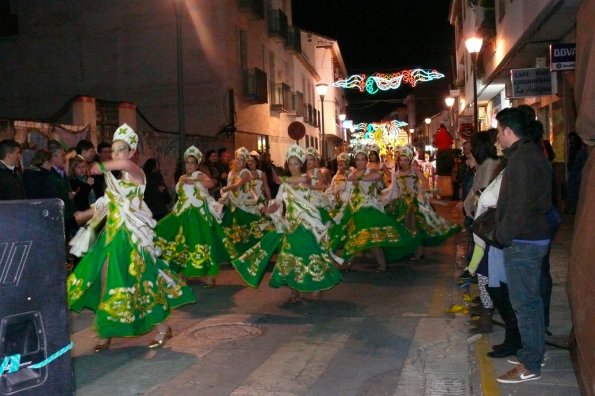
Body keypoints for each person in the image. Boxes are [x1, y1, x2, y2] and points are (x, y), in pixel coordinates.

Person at [67, 123, 196, 352]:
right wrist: (83, 215)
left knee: (141, 283)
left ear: (132, 152)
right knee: (106, 280)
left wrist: (101, 165)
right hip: (113, 236)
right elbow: (106, 205)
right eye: (113, 150)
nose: (116, 154)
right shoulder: (116, 180)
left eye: (121, 150)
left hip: (133, 238)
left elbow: (122, 165)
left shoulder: (136, 172)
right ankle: (106, 331)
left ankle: (162, 327)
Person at [231, 144, 342, 303]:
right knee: (288, 256)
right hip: (290, 225)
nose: (292, 167)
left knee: (311, 253)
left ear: (301, 165)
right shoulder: (284, 184)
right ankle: (294, 291)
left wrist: (280, 179)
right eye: (289, 164)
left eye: (296, 163)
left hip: (306, 224)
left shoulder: (306, 178)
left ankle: (317, 285)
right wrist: (269, 208)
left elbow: (300, 181)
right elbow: (278, 201)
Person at [493, 107, 552, 384]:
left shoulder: (522, 159)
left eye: (499, 132)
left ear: (507, 131)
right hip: (531, 236)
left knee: (525, 303)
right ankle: (534, 351)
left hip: (523, 240)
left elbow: (517, 205)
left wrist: (502, 235)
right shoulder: (530, 153)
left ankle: (531, 363)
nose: (498, 138)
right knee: (531, 301)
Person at [155, 146, 228, 288]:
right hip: (182, 214)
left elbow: (211, 183)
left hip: (197, 215)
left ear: (197, 164)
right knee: (181, 243)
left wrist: (195, 182)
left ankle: (210, 277)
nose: (189, 165)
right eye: (187, 162)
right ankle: (183, 273)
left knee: (202, 243)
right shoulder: (182, 177)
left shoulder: (199, 175)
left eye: (192, 163)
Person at [339, 143, 418, 271]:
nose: (360, 162)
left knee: (371, 237)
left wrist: (358, 177)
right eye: (357, 159)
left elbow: (376, 177)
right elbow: (348, 187)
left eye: (362, 159)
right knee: (353, 235)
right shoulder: (352, 173)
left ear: (366, 160)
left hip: (368, 208)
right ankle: (349, 263)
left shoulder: (372, 171)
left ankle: (379, 264)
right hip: (355, 208)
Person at [220, 147, 272, 259]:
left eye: (242, 160)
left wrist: (226, 188)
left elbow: (238, 185)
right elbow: (232, 190)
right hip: (233, 205)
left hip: (244, 205)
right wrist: (225, 197)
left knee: (249, 229)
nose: (239, 162)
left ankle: (254, 251)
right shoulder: (231, 173)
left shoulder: (246, 172)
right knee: (233, 231)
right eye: (237, 159)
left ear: (245, 162)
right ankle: (235, 254)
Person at [48, 140, 77, 240]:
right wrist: (65, 195)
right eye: (62, 155)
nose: (65, 158)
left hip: (68, 214)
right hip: (58, 215)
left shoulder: (62, 171)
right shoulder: (49, 174)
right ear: (53, 157)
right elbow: (51, 194)